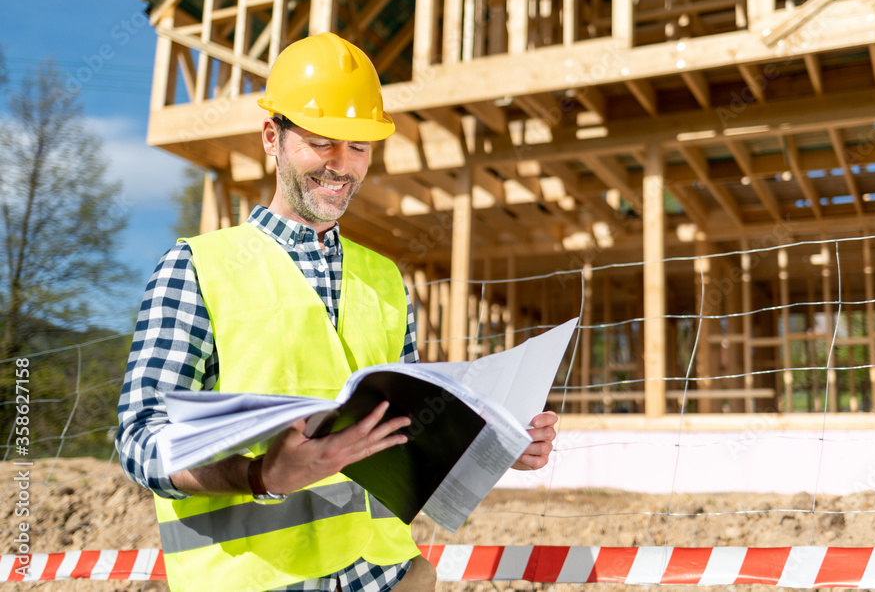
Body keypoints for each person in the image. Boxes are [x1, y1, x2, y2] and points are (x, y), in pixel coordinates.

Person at [116, 32, 558, 592]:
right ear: (271, 137)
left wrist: (496, 447)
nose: (341, 166)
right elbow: (139, 441)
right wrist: (260, 475)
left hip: (385, 575)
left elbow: (409, 434)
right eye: (323, 143)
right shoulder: (197, 268)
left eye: (359, 147)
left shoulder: (385, 280)